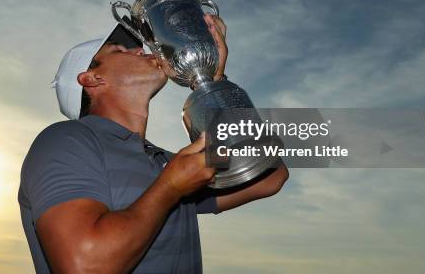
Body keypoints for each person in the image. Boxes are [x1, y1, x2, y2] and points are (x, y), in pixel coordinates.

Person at [18, 14, 289, 273]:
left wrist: (211, 82)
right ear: (91, 79)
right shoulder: (65, 140)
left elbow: (271, 175)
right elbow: (86, 267)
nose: (139, 50)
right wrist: (171, 188)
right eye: (119, 50)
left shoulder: (166, 163)